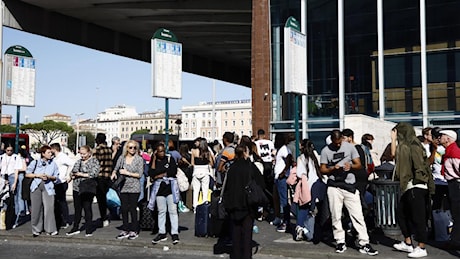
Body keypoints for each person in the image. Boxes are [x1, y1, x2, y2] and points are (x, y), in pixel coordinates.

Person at [319, 129, 378, 256]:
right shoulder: (325, 150)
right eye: (335, 143)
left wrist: (350, 166)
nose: (338, 145)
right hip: (334, 186)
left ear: (342, 138)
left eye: (339, 142)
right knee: (336, 215)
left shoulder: (350, 148)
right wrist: (332, 169)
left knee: (357, 215)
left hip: (349, 186)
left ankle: (364, 242)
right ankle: (340, 241)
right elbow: (322, 169)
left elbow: (359, 165)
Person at [391, 123, 434, 258]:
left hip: (417, 186)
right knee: (401, 214)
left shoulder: (413, 145)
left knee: (418, 217)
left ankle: (421, 247)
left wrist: (420, 179)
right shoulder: (406, 145)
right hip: (409, 185)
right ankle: (408, 243)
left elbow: (419, 165)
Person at [223, 143, 265, 259]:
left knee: (236, 233)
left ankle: (236, 256)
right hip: (248, 203)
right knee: (247, 235)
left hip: (233, 204)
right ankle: (246, 256)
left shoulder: (231, 168)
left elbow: (227, 187)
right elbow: (261, 183)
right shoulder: (250, 167)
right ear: (245, 153)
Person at [25, 145, 60, 237]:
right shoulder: (35, 162)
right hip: (36, 186)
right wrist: (38, 175)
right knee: (36, 208)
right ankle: (36, 229)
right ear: (43, 153)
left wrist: (49, 177)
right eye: (48, 152)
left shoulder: (53, 164)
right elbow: (27, 174)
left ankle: (50, 229)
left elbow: (56, 177)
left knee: (49, 208)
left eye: (51, 152)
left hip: (48, 187)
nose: (50, 154)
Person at [111, 140, 144, 240]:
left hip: (134, 186)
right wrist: (114, 173)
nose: (132, 149)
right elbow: (116, 168)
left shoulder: (139, 159)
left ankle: (134, 230)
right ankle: (125, 228)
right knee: (124, 208)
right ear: (126, 148)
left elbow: (140, 174)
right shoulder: (122, 158)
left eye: (134, 147)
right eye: (130, 147)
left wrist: (127, 173)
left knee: (132, 208)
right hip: (124, 186)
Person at [149, 143, 180, 245]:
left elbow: (172, 171)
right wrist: (153, 159)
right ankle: (162, 232)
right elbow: (151, 173)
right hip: (159, 191)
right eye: (159, 151)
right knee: (161, 211)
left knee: (173, 211)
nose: (162, 153)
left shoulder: (170, 159)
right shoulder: (154, 161)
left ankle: (174, 233)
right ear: (156, 152)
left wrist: (159, 175)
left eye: (163, 151)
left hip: (170, 189)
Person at [66, 145, 100, 237]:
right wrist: (72, 175)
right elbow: (73, 171)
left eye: (84, 154)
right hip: (77, 187)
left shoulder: (94, 161)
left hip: (87, 188)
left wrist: (81, 174)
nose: (82, 156)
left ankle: (89, 228)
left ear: (89, 153)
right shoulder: (78, 161)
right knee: (77, 208)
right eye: (81, 153)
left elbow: (94, 173)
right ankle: (75, 227)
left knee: (87, 207)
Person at [294, 139, 321, 241]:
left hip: (306, 186)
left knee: (302, 207)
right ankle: (312, 230)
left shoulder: (301, 158)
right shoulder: (315, 155)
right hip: (317, 184)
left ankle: (301, 228)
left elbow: (299, 173)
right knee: (314, 208)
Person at [438, 129, 460, 250]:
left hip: (456, 184)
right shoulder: (450, 151)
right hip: (453, 184)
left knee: (457, 214)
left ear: (448, 139)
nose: (440, 138)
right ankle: (455, 240)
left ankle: (456, 241)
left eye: (442, 136)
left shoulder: (453, 152)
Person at [50, 143, 75, 229]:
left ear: (54, 149)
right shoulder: (55, 158)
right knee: (57, 202)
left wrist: (68, 175)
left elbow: (72, 163)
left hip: (61, 181)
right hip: (55, 181)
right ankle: (60, 219)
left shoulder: (63, 157)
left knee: (62, 201)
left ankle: (65, 220)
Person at [273, 132, 293, 233]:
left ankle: (286, 221)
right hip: (277, 177)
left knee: (284, 200)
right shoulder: (280, 149)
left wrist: (284, 172)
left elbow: (289, 159)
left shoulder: (284, 149)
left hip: (281, 178)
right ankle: (279, 218)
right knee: (276, 198)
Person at [254, 129, 275, 221]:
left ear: (258, 135)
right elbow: (273, 153)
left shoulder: (256, 143)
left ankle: (261, 208)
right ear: (265, 135)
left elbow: (256, 154)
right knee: (269, 186)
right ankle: (270, 206)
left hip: (260, 164)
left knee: (260, 186)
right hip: (269, 163)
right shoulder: (269, 142)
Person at [94, 133, 114, 227]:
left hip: (100, 176)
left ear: (97, 140)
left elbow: (94, 163)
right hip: (108, 175)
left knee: (101, 198)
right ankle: (109, 214)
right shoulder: (108, 149)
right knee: (107, 197)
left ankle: (103, 217)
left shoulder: (97, 150)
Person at [191, 138, 215, 212]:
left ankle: (195, 207)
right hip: (205, 172)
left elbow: (192, 163)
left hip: (196, 172)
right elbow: (211, 164)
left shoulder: (193, 151)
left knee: (196, 191)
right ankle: (204, 206)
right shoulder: (207, 153)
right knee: (205, 190)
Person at [12, 148, 30, 228]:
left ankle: (21, 211)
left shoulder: (20, 159)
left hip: (20, 175)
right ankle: (22, 210)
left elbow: (24, 168)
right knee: (19, 194)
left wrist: (17, 169)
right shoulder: (22, 158)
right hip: (20, 175)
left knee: (19, 194)